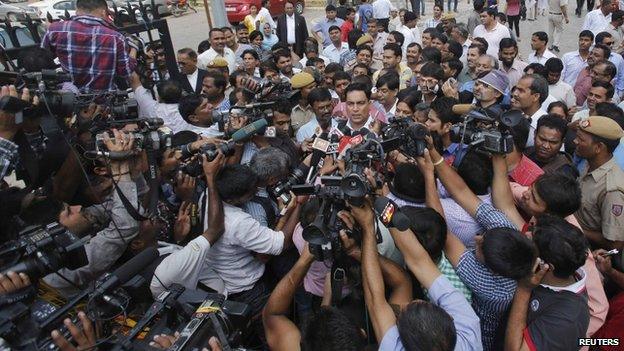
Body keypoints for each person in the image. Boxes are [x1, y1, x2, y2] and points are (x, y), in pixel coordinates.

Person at [504, 215, 590, 351]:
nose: (526, 234)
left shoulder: (566, 320)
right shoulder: (563, 264)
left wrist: (524, 289)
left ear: (547, 267)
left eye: (532, 241)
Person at [41, 0, 137, 92]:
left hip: (71, 98)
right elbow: (126, 72)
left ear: (77, 10)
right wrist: (134, 48)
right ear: (103, 12)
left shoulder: (55, 30)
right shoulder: (115, 37)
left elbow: (41, 59)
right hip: (106, 100)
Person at [574, 116, 624, 253]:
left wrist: (575, 228)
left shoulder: (611, 189)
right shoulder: (590, 165)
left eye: (581, 139)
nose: (575, 141)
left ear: (598, 147)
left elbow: (615, 243)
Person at [511, 74, 549, 148]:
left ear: (535, 97)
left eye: (521, 90)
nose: (515, 93)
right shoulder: (515, 117)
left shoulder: (546, 125)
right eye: (516, 89)